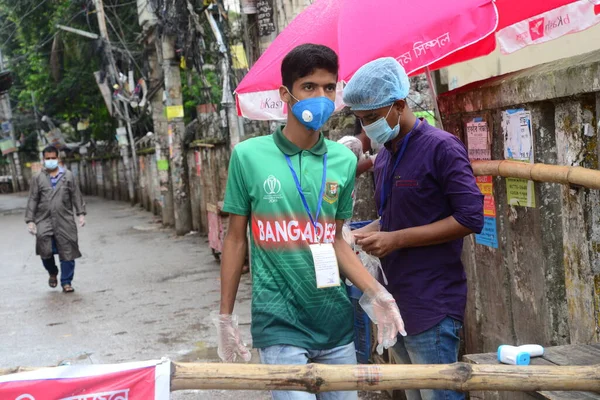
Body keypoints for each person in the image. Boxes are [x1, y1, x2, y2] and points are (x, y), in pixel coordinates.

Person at [216, 44, 406, 400]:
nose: (321, 97)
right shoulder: (248, 156)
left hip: (335, 327)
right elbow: (235, 240)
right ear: (286, 94)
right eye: (309, 87)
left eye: (329, 88)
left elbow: (335, 239)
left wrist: (376, 293)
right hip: (279, 325)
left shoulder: (343, 160)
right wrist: (225, 317)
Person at [343, 58, 484, 400]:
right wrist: (366, 235)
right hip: (395, 301)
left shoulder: (442, 147)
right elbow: (396, 217)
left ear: (400, 105)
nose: (368, 127)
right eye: (362, 120)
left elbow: (470, 217)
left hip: (432, 302)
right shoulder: (387, 155)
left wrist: (396, 239)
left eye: (373, 118)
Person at [25, 145, 86, 293]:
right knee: (45, 250)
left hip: (64, 218)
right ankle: (52, 271)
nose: (51, 161)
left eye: (53, 158)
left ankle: (66, 282)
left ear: (58, 159)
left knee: (68, 250)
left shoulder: (68, 176)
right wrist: (30, 220)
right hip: (44, 219)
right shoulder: (38, 178)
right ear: (43, 160)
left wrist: (81, 214)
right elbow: (33, 199)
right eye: (48, 158)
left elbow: (76, 195)